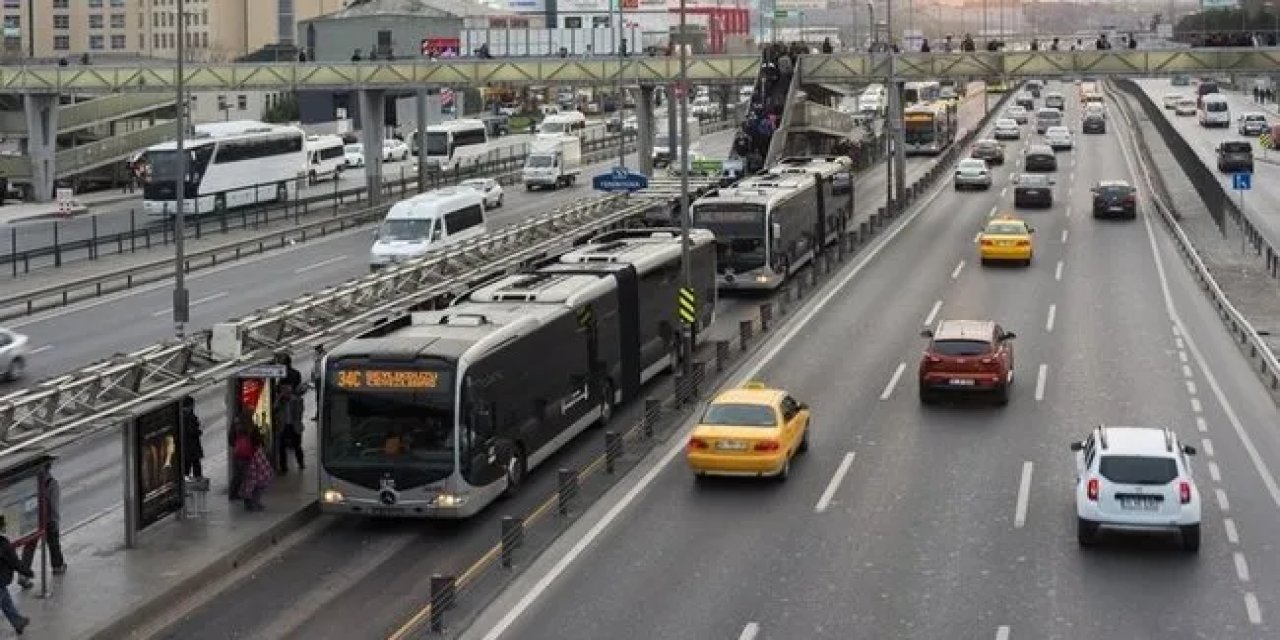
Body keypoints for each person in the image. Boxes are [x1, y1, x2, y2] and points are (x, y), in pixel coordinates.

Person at [17, 473, 65, 590]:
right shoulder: (51, 483)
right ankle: (57, 566)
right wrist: (55, 520)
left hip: (32, 519)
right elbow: (53, 505)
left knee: (29, 547)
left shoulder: (30, 481)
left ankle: (23, 575)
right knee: (53, 542)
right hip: (47, 518)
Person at [0, 516, 31, 635]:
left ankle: (17, 621)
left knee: (6, 601)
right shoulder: (3, 544)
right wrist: (27, 571)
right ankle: (17, 621)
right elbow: (15, 562)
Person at [274, 382, 305, 474]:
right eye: (284, 391)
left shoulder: (297, 400)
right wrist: (279, 398)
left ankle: (301, 463)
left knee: (297, 446)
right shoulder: (280, 401)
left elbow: (300, 411)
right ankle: (283, 467)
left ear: (291, 392)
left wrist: (293, 400)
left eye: (288, 391)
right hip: (283, 426)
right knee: (281, 447)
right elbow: (274, 408)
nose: (286, 394)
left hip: (294, 426)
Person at [238, 429, 273, 511]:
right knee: (256, 488)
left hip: (249, 468)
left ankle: (249, 504)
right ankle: (254, 504)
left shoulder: (249, 445)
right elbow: (261, 462)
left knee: (248, 486)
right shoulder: (257, 449)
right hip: (255, 471)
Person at [181, 396, 204, 479]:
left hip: (185, 448)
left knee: (186, 469)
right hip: (192, 447)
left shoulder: (181, 415)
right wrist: (198, 431)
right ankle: (197, 485)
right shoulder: (189, 417)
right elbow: (192, 431)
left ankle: (186, 485)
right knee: (196, 467)